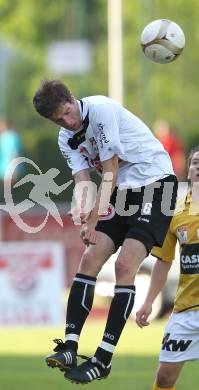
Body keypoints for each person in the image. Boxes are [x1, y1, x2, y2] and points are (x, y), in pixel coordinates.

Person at [33, 80, 178, 384]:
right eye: (59, 120)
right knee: (89, 259)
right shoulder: (66, 138)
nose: (67, 123)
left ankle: (103, 358)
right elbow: (84, 179)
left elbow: (109, 170)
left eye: (67, 114)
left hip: (155, 184)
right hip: (122, 190)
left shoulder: (101, 110)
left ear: (73, 99)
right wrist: (83, 210)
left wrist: (94, 219)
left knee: (125, 265)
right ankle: (70, 346)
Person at [136, 146, 199, 390]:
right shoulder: (175, 213)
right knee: (164, 378)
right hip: (185, 310)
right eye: (194, 163)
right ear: (189, 171)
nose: (198, 167)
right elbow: (164, 261)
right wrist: (148, 301)